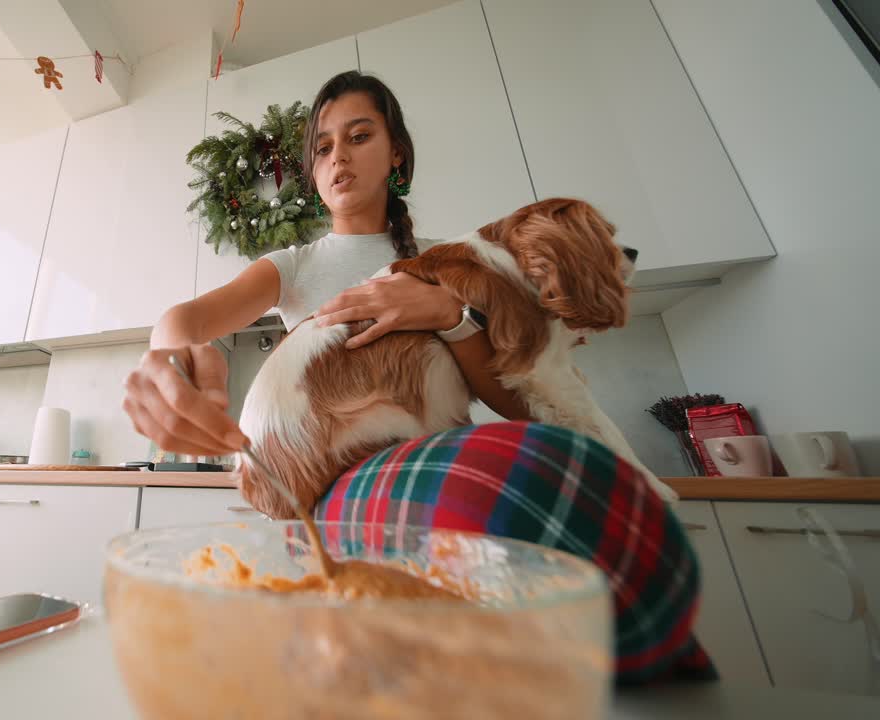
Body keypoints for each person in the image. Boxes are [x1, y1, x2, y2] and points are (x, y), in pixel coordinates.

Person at [122, 70, 713, 683]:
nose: (339, 157)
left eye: (359, 136)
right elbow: (183, 320)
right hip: (327, 490)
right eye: (323, 147)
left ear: (395, 154)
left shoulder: (449, 259)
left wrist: (450, 317)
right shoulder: (292, 265)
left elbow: (514, 402)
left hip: (429, 478)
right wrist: (171, 359)